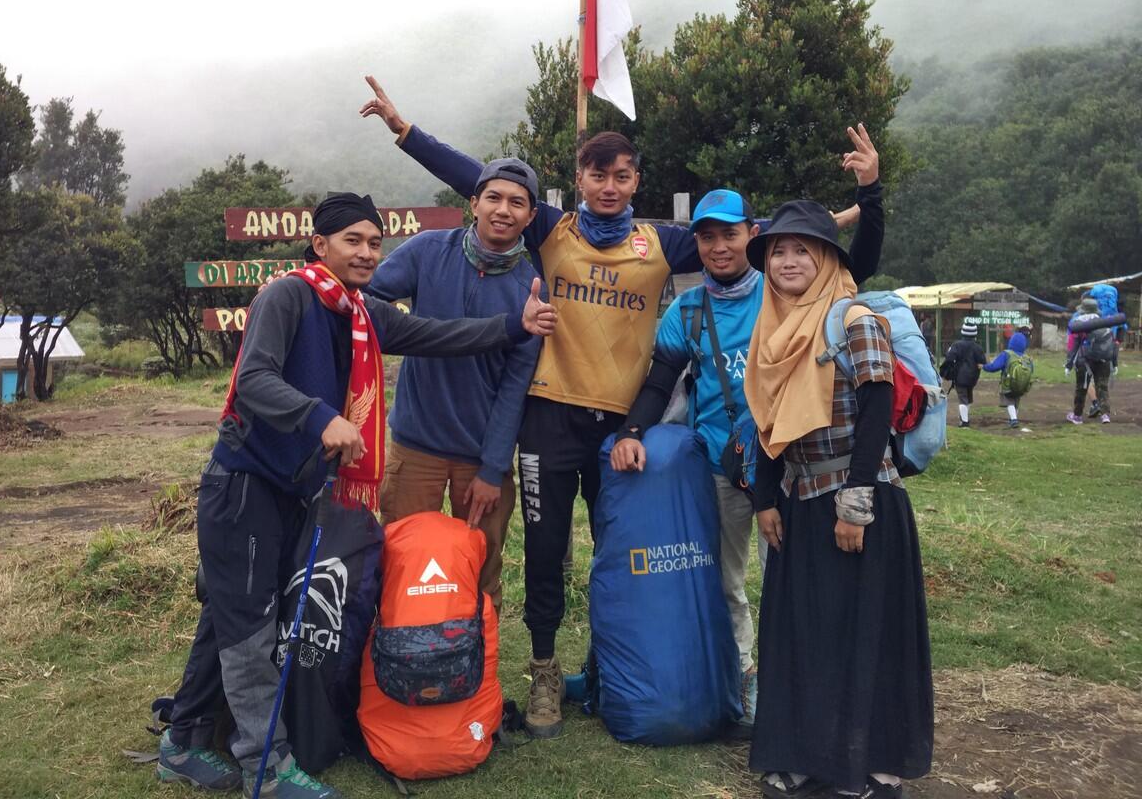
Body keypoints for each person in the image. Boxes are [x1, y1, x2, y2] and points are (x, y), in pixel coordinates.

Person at [359, 74, 875, 737]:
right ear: (579, 179)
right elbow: (478, 182)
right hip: (548, 418)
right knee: (545, 555)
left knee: (620, 553)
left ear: (636, 181)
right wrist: (406, 133)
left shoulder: (663, 241)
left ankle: (609, 667)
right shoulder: (551, 227)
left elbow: (752, 234)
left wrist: (841, 214)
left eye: (622, 176)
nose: (609, 186)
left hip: (624, 428)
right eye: (597, 175)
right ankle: (545, 672)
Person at [159, 193, 556, 798]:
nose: (368, 252)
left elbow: (435, 333)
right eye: (353, 241)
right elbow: (254, 377)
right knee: (249, 629)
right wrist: (321, 417)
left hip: (293, 490)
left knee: (231, 615)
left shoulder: (360, 312)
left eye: (375, 242)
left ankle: (183, 738)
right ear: (321, 246)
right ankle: (266, 769)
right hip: (244, 485)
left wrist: (513, 326)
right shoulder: (288, 295)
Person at [606, 128, 884, 736]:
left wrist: (871, 193)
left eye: (728, 234)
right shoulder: (687, 310)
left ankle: (802, 688)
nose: (717, 246)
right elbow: (660, 379)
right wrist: (632, 430)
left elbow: (856, 266)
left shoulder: (786, 290)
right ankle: (747, 681)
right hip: (728, 470)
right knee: (729, 583)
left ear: (750, 236)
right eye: (705, 237)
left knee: (794, 583)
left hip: (798, 464)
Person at [746, 201, 933, 799]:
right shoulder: (772, 330)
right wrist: (765, 499)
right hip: (799, 502)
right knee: (803, 633)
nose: (789, 261)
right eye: (779, 250)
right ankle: (805, 757)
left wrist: (856, 504)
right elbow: (770, 424)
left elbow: (877, 408)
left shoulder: (852, 318)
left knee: (866, 633)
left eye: (805, 249)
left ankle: (871, 767)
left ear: (829, 259)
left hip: (861, 498)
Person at [365, 158, 544, 609]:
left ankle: (478, 671)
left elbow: (513, 389)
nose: (504, 210)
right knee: (399, 560)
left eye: (517, 203)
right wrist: (400, 331)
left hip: (480, 460)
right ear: (473, 204)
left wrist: (491, 469)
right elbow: (365, 295)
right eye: (494, 198)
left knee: (480, 571)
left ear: (531, 216)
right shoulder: (427, 251)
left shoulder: (532, 288)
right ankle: (394, 666)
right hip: (415, 447)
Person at [1066, 296, 1113, 425]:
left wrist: (1069, 363)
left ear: (1083, 309)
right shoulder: (1103, 322)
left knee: (1082, 387)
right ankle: (1105, 415)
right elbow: (1112, 343)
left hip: (1085, 359)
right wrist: (1114, 362)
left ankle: (1077, 416)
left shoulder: (1078, 323)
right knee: (1102, 387)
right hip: (1104, 359)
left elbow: (1072, 345)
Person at [982, 327, 1032, 429]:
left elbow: (994, 367)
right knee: (1016, 401)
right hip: (1022, 385)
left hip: (1008, 384)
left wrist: (984, 366)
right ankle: (1013, 418)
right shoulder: (1026, 358)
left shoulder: (1006, 354)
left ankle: (1014, 420)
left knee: (1009, 401)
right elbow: (1031, 370)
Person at [941, 317, 987, 427]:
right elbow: (982, 362)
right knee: (968, 397)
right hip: (973, 377)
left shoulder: (957, 345)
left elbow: (949, 358)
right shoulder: (977, 347)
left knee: (962, 398)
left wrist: (945, 371)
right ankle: (964, 417)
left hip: (959, 376)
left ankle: (965, 422)